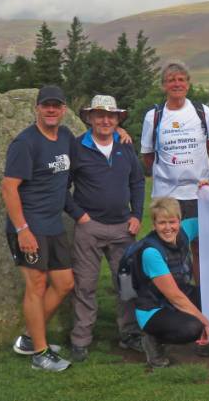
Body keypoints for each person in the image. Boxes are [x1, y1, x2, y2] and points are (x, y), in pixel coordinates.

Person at [0, 85, 78, 372]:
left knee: (65, 283)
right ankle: (40, 354)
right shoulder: (25, 143)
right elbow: (9, 188)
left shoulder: (66, 137)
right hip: (28, 227)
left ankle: (32, 338)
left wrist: (117, 134)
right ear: (37, 108)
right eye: (46, 105)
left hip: (53, 226)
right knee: (36, 285)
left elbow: (86, 153)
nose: (51, 110)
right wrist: (22, 230)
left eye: (56, 105)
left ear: (63, 109)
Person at [67, 95, 146, 361]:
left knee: (126, 283)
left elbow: (137, 182)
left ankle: (129, 334)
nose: (105, 120)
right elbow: (62, 187)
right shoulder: (76, 147)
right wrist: (79, 216)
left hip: (124, 227)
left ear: (117, 120)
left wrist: (137, 214)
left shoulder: (125, 146)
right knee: (86, 284)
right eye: (99, 115)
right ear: (89, 117)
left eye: (110, 116)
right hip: (90, 228)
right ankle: (81, 339)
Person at [134, 197, 209, 368]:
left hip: (180, 294)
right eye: (161, 223)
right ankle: (152, 340)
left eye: (172, 222)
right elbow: (175, 297)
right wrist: (204, 320)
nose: (168, 228)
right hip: (154, 308)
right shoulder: (151, 252)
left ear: (179, 221)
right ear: (153, 224)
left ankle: (204, 345)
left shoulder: (185, 231)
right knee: (192, 327)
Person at [139, 61, 209, 282]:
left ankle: (201, 299)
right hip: (168, 195)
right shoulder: (153, 116)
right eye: (171, 80)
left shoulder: (203, 112)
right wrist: (167, 173)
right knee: (169, 250)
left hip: (199, 193)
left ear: (188, 85)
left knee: (200, 249)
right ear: (163, 85)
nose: (177, 84)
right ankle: (175, 299)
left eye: (181, 79)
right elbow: (147, 155)